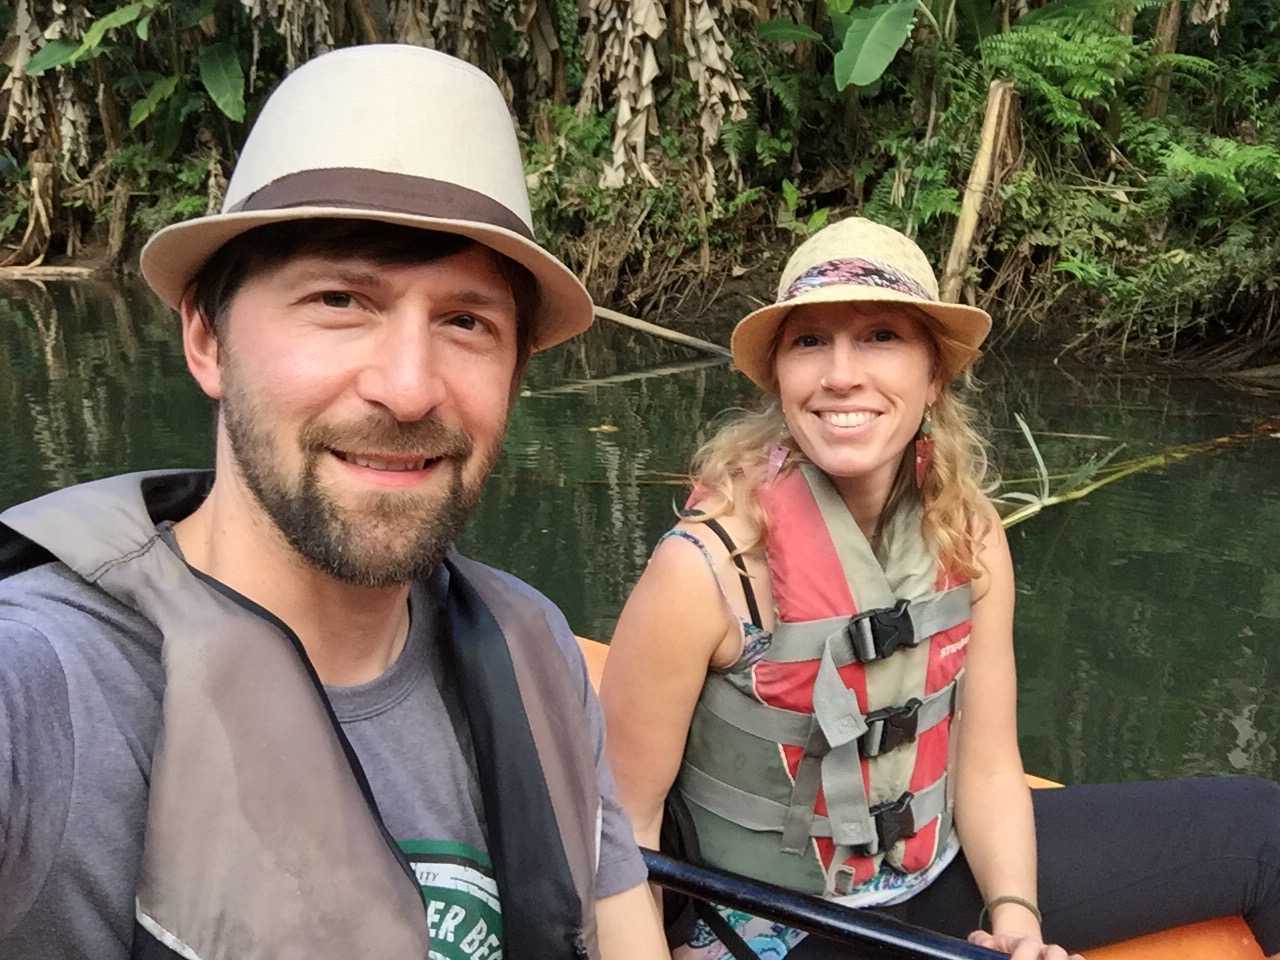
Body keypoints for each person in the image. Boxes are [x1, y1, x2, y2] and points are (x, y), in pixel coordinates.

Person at [0, 45, 668, 960]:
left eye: (466, 321)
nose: (407, 389)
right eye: (341, 299)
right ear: (205, 337)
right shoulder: (42, 686)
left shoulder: (536, 650)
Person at [599, 216, 1280, 960]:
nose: (840, 374)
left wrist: (1017, 922)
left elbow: (987, 765)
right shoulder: (704, 570)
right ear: (781, 378)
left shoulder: (968, 530)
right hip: (774, 926)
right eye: (809, 341)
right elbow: (620, 831)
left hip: (934, 873)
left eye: (881, 336)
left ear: (934, 375)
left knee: (1259, 828)